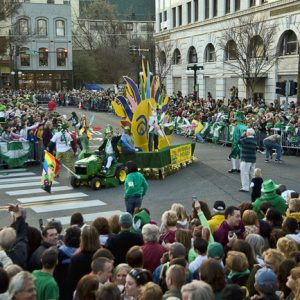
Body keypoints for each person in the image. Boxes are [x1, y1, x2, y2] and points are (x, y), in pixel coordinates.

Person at [238, 128, 257, 192]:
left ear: (248, 133)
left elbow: (238, 141)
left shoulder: (245, 139)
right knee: (252, 173)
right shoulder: (254, 140)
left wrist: (242, 135)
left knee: (244, 173)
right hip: (253, 158)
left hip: (246, 158)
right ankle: (257, 185)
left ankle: (245, 187)